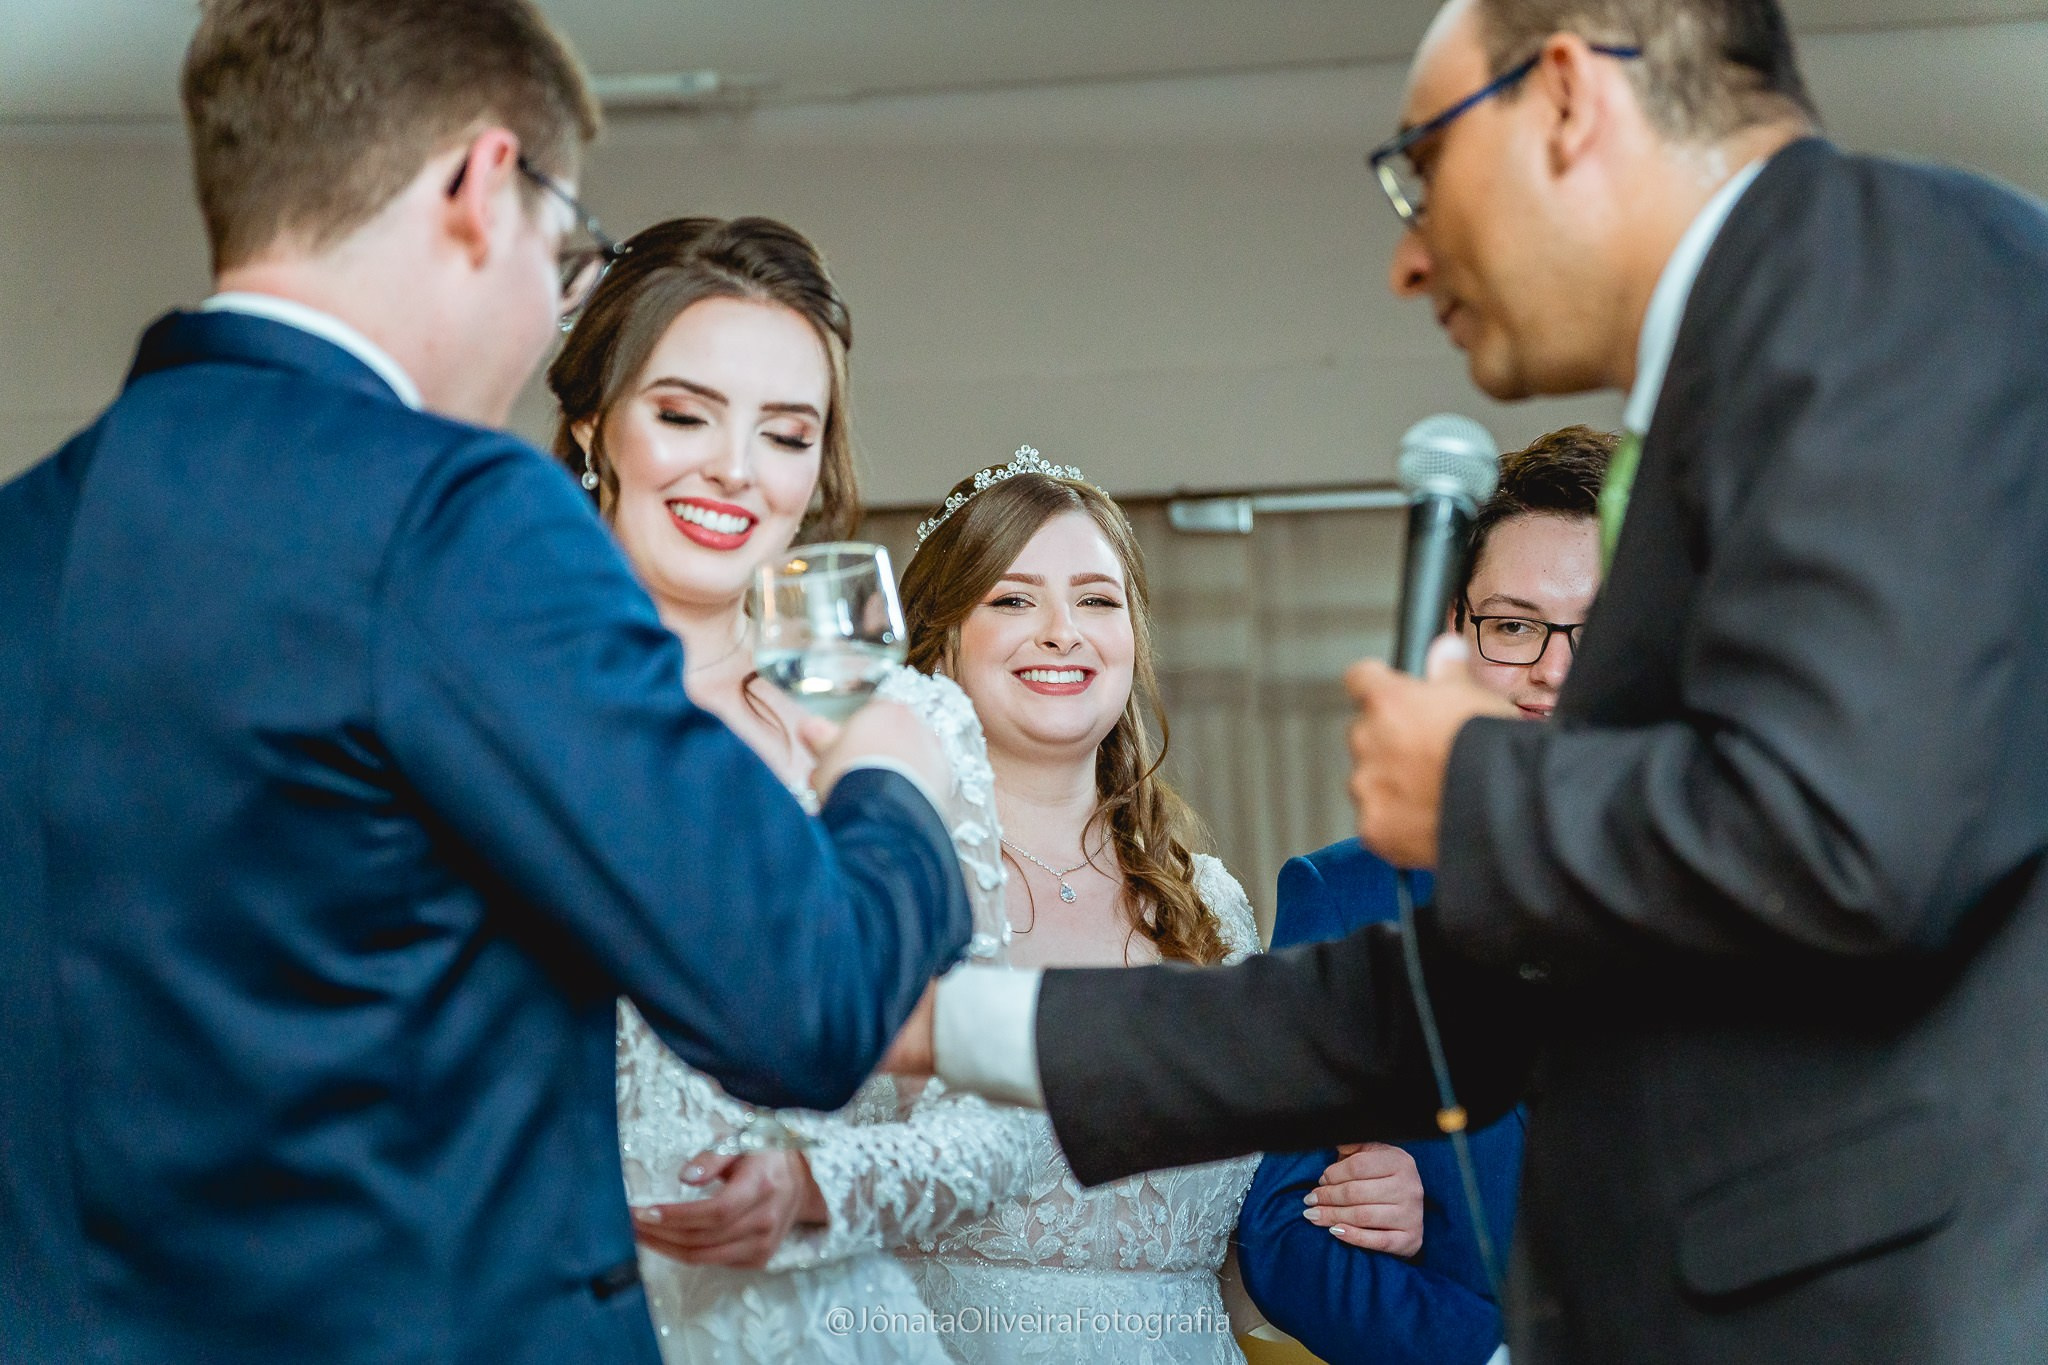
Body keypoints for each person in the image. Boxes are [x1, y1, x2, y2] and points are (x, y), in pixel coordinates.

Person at [902, 1, 2048, 1360]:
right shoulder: (1729, 387)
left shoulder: (1895, 273)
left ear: (1568, 96)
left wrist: (1480, 789)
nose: (1405, 257)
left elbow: (1866, 831)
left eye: (1419, 171)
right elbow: (1458, 1007)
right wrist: (940, 1021)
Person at [0, 4, 973, 1362]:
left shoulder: (22, 541)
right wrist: (890, 772)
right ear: (479, 188)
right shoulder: (458, 514)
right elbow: (806, 1002)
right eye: (565, 249)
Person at [549, 214, 1025, 1365]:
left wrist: (818, 1186)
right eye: (683, 414)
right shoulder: (497, 709)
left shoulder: (908, 728)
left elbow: (1001, 1099)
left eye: (784, 432)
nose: (734, 469)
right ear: (591, 427)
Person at [1235, 427, 1611, 1365]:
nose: (1553, 671)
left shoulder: (1737, 885)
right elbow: (1284, 1235)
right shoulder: (1342, 895)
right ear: (1455, 633)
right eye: (1515, 624)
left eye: (1595, 630)